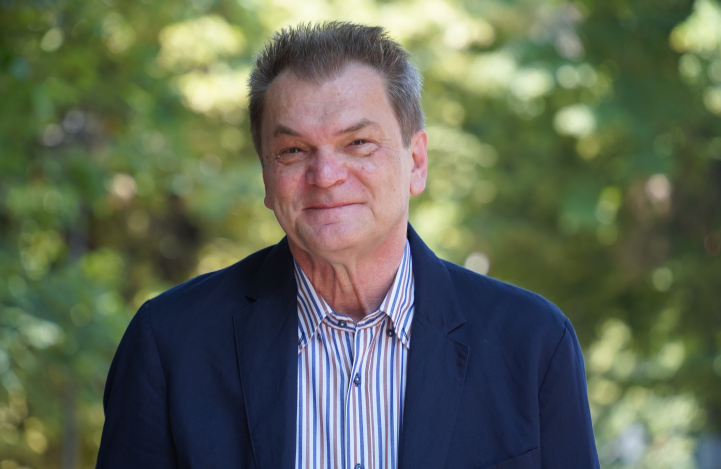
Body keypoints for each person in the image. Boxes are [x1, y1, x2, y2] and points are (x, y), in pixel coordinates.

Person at [96, 22, 600, 469]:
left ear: (416, 161)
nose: (326, 175)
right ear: (267, 179)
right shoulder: (169, 344)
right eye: (293, 150)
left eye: (358, 143)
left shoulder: (533, 343)